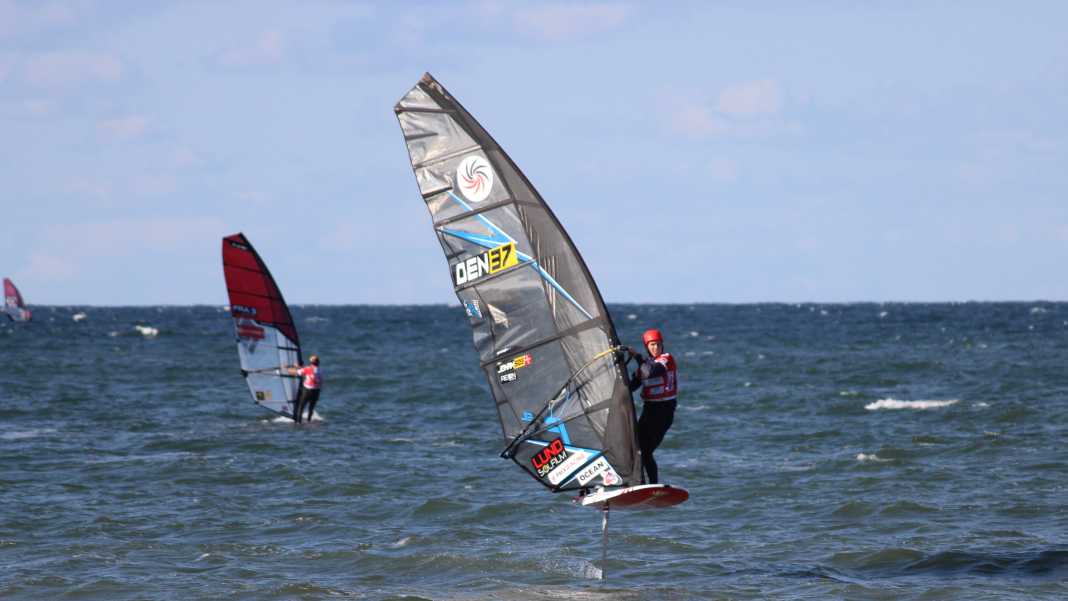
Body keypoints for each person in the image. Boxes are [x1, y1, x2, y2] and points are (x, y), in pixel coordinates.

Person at [627, 329, 677, 484]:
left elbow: (651, 372)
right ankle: (639, 484)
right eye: (652, 345)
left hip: (664, 412)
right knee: (637, 449)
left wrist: (637, 357)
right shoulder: (644, 366)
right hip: (649, 411)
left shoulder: (666, 359)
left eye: (658, 344)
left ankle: (653, 484)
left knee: (646, 451)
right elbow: (630, 387)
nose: (656, 348)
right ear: (647, 347)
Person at [286, 355, 322, 423]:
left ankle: (298, 423)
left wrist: (286, 369)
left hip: (308, 391)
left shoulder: (308, 369)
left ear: (311, 362)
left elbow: (295, 372)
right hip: (316, 391)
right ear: (318, 363)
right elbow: (306, 370)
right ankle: (309, 421)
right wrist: (298, 367)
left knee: (301, 407)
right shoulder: (320, 369)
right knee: (311, 408)